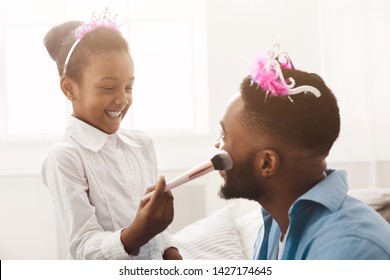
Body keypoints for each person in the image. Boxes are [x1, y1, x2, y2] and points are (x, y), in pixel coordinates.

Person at [215, 44, 390, 259]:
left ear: (267, 163)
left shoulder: (348, 249)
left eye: (224, 136)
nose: (217, 146)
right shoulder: (274, 227)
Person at [41, 10, 182, 260]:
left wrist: (171, 252)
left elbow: (160, 233)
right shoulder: (65, 157)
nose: (123, 99)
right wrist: (139, 232)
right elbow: (85, 247)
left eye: (129, 87)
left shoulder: (141, 144)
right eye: (108, 87)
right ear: (69, 88)